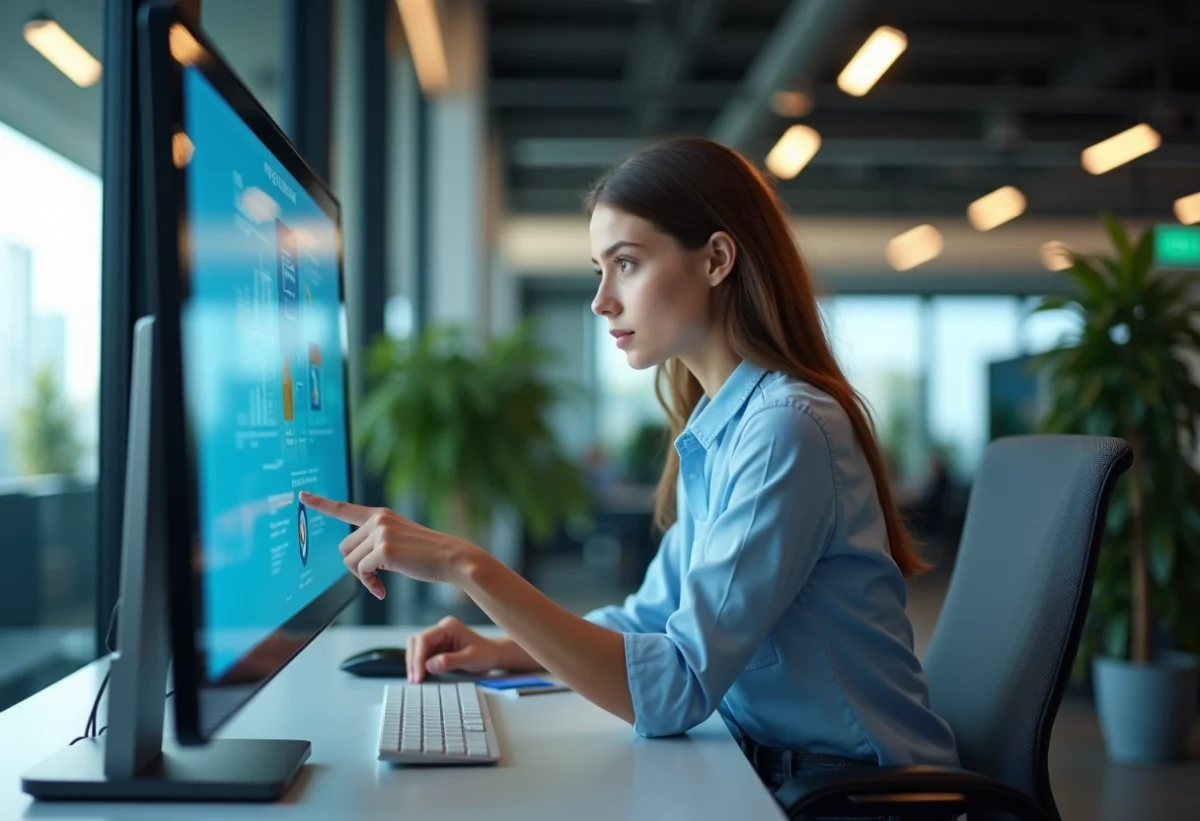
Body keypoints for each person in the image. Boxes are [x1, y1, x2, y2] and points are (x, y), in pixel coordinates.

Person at [300, 137, 958, 795]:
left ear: (717, 260)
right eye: (599, 269)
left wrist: (468, 568)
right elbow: (649, 617)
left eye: (627, 264)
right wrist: (504, 646)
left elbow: (675, 687)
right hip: (767, 768)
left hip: (854, 797)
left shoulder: (785, 429)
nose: (602, 300)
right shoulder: (724, 426)